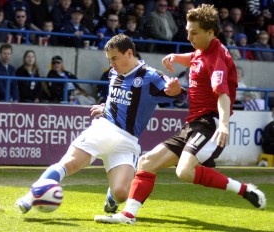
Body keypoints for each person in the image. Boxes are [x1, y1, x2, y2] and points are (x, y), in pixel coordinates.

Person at [94, 4, 267, 225]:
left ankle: (243, 189)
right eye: (187, 31)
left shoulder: (216, 61)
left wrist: (223, 124)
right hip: (193, 124)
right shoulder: (205, 50)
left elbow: (222, 94)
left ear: (211, 32)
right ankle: (127, 215)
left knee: (184, 171)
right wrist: (176, 57)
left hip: (209, 124)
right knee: (146, 162)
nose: (189, 36)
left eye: (194, 32)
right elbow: (195, 56)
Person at [15, 34, 185, 215]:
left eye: (114, 58)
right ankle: (30, 197)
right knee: (70, 163)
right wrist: (106, 108)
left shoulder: (151, 76)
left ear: (128, 53)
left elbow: (181, 97)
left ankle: (112, 196)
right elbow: (117, 99)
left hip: (128, 140)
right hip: (104, 128)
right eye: (109, 59)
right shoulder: (114, 73)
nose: (112, 64)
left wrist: (178, 93)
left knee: (121, 194)